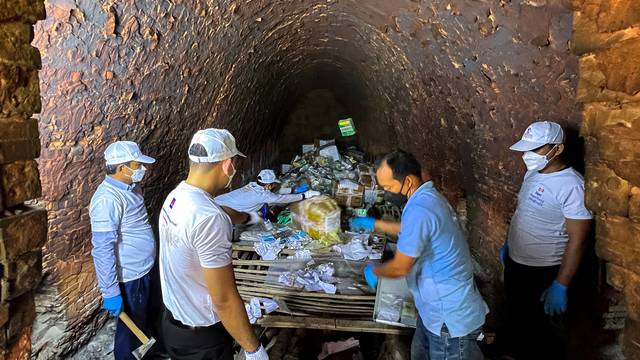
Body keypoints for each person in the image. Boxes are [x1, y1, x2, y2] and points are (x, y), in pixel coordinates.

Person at [350, 150, 488, 360]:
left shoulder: (421, 209)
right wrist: (376, 224)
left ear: (407, 181)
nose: (386, 192)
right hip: (432, 309)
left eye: (388, 187)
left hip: (448, 317)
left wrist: (375, 271)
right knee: (419, 354)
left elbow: (400, 267)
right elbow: (411, 230)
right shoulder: (427, 198)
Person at [158, 128, 268, 360]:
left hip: (172, 324)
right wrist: (253, 349)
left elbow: (217, 210)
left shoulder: (176, 197)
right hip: (203, 337)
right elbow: (224, 299)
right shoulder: (209, 218)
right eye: (234, 164)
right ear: (227, 165)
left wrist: (247, 218)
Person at [500, 121, 592, 360]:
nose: (527, 155)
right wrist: (509, 245)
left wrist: (561, 284)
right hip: (517, 264)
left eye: (536, 149)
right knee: (516, 321)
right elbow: (524, 212)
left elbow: (578, 240)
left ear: (557, 149)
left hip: (542, 272)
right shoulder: (532, 173)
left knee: (541, 338)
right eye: (526, 149)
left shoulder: (572, 186)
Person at [89, 141, 157, 360]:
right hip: (130, 277)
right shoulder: (107, 200)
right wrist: (110, 291)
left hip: (145, 269)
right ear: (121, 168)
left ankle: (147, 355)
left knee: (146, 321)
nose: (142, 170)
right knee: (130, 333)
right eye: (137, 165)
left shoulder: (131, 187)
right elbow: (102, 249)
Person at [214, 168, 320, 213]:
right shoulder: (262, 195)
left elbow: (272, 193)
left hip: (216, 201)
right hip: (221, 210)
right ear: (268, 185)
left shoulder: (253, 185)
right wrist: (305, 195)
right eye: (273, 184)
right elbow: (281, 198)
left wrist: (293, 189)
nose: (274, 185)